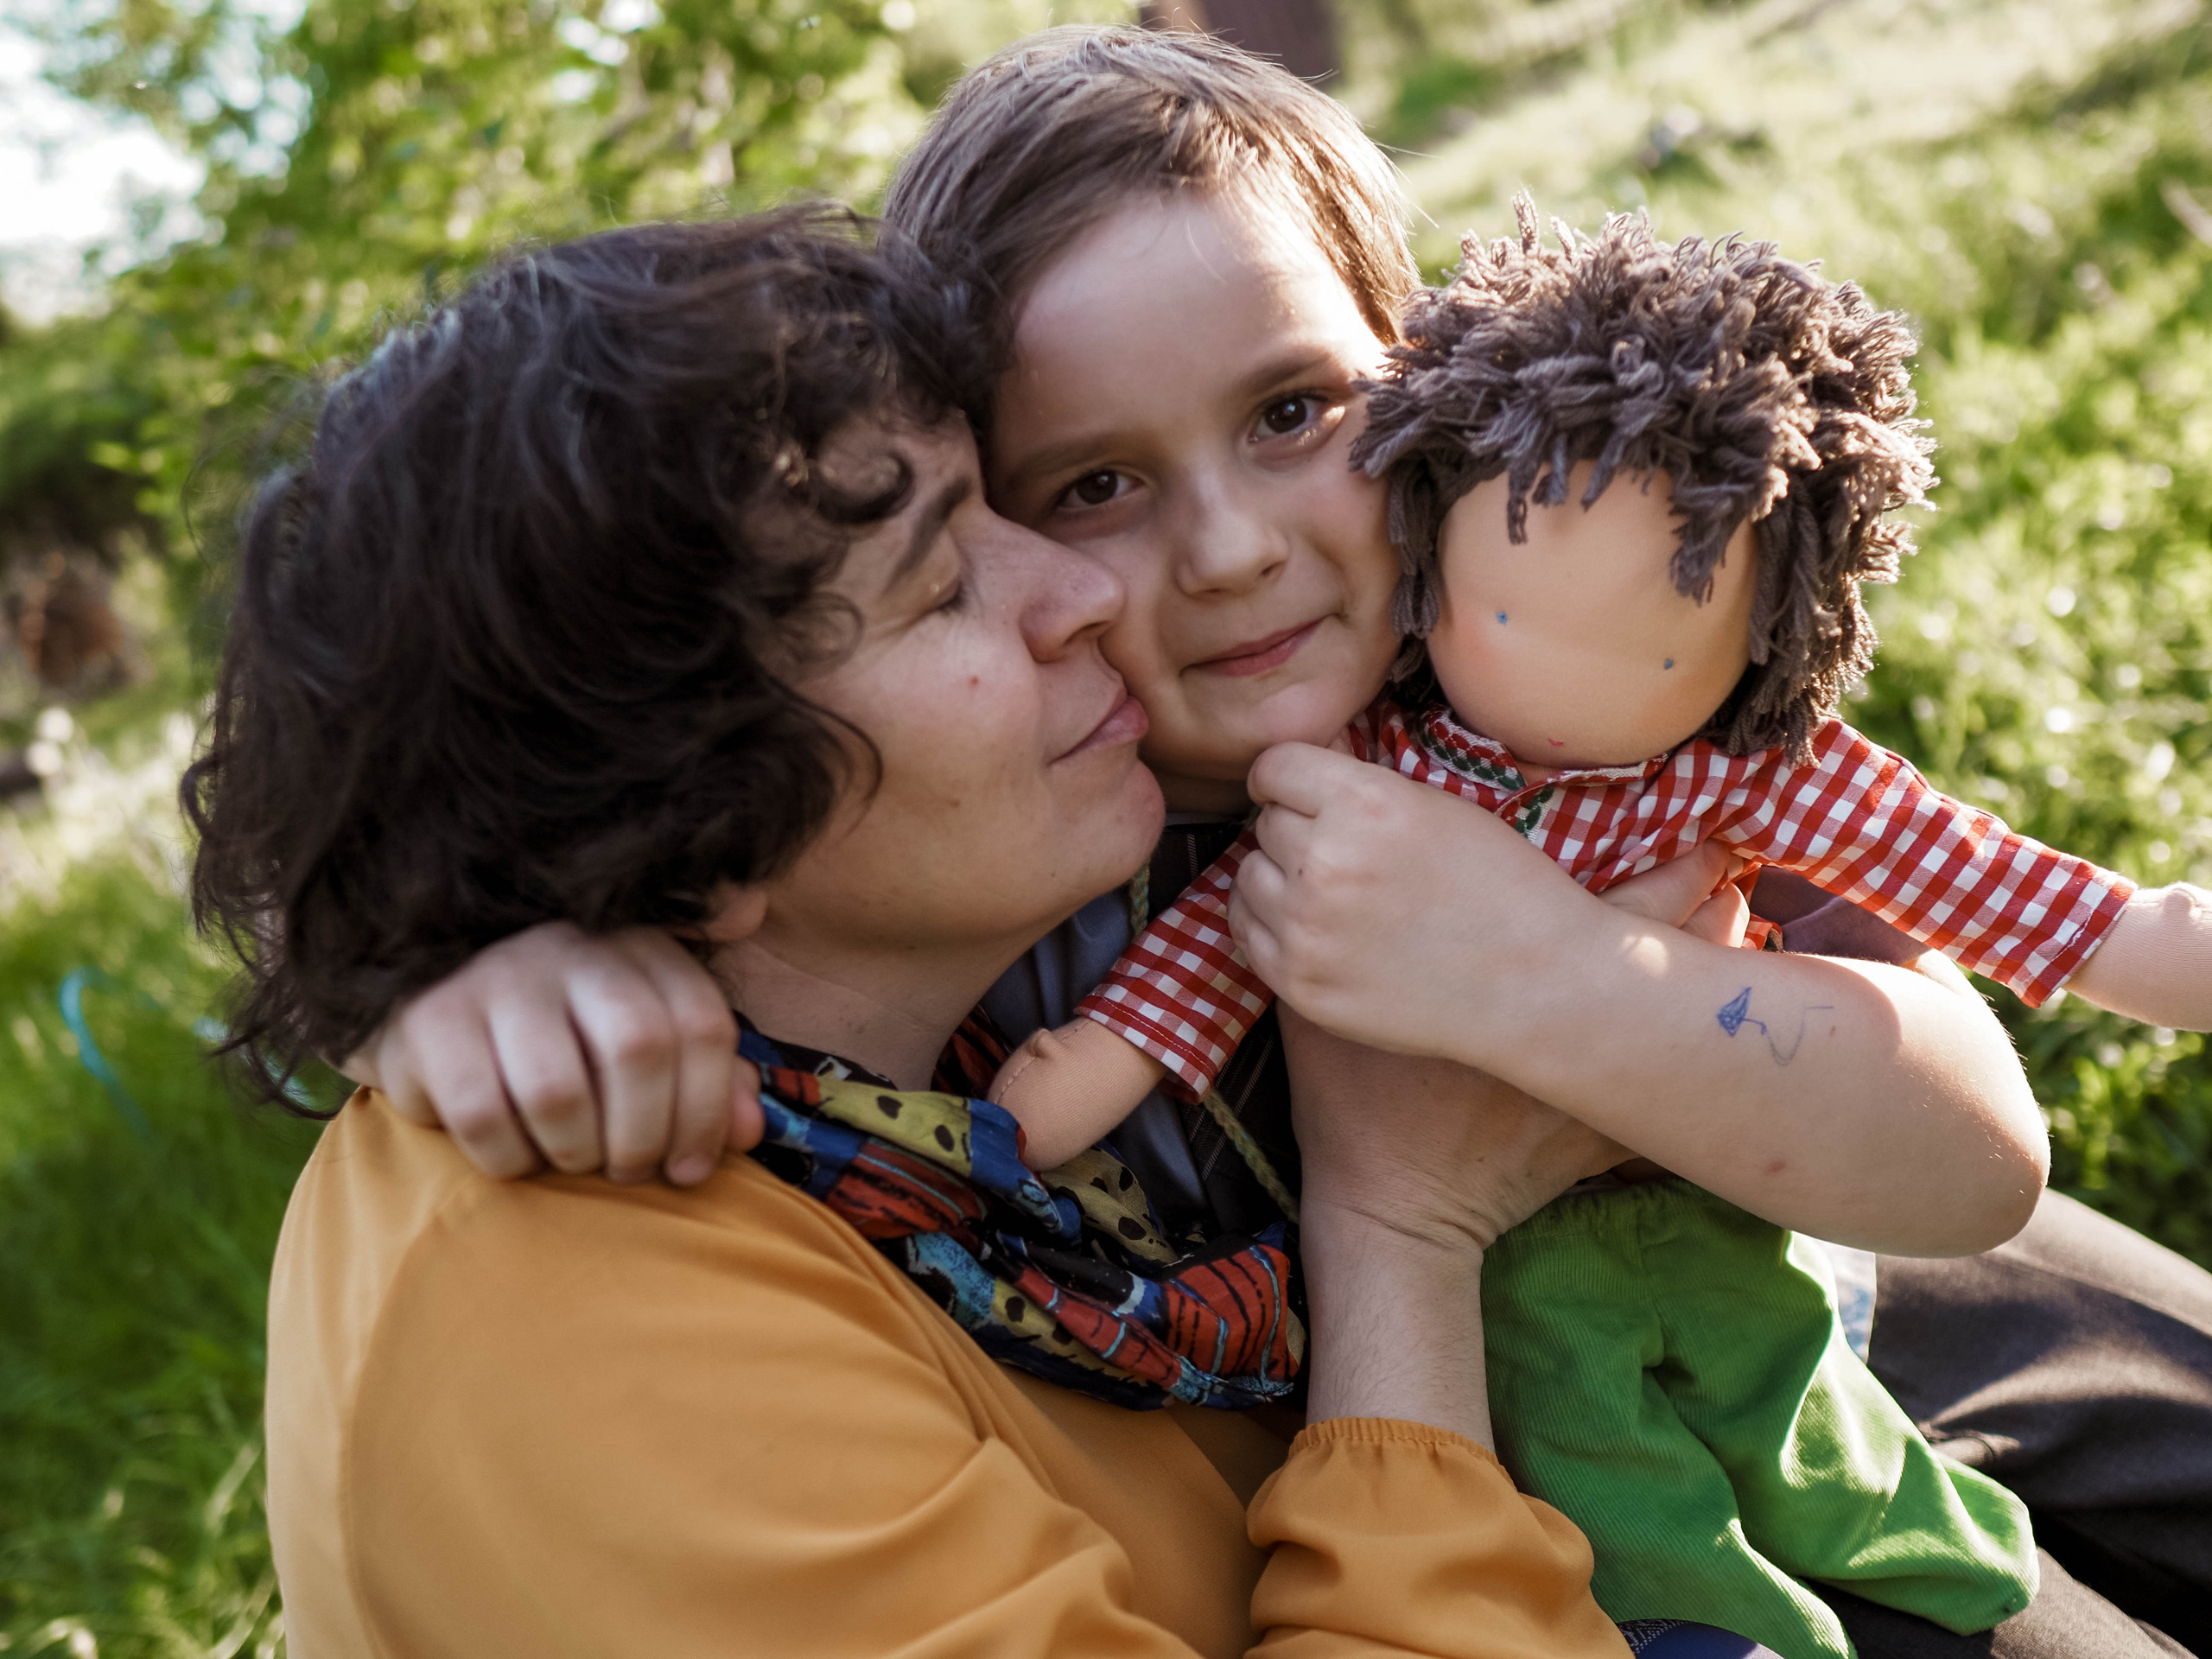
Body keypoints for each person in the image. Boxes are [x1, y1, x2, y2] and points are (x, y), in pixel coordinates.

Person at [346, 29, 2211, 1656]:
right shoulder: (1005, 845)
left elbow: (1970, 1147)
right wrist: (472, 961)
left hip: (1813, 1268)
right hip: (1541, 1475)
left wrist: (1566, 984)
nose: (1229, 549)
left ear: (1433, 380)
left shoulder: (1575, 698)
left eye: (1296, 412)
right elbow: (643, 813)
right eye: (1090, 485)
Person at [200, 207, 1847, 1658]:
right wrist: (1400, 1222)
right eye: (941, 592)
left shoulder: (886, 1047)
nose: (1081, 594)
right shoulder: (591, 1346)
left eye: (1007, 507)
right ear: (677, 814)